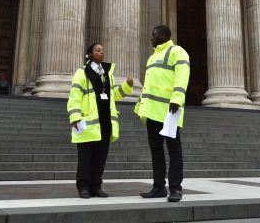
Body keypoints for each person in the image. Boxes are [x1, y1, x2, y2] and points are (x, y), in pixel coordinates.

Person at [67, 43, 134, 199]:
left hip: (105, 122)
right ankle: (83, 187)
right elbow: (75, 96)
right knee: (85, 158)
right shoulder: (82, 72)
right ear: (90, 54)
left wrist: (126, 86)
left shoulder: (107, 73)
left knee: (100, 157)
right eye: (98, 50)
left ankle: (96, 186)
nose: (102, 52)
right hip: (87, 122)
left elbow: (113, 95)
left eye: (103, 50)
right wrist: (75, 116)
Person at [135, 25, 190, 202]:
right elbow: (149, 84)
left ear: (164, 35)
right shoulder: (152, 57)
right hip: (152, 112)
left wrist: (177, 98)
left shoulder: (177, 51)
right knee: (156, 151)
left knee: (174, 150)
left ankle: (175, 189)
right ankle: (158, 187)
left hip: (169, 110)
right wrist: (140, 105)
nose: (151, 37)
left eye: (154, 34)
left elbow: (182, 75)